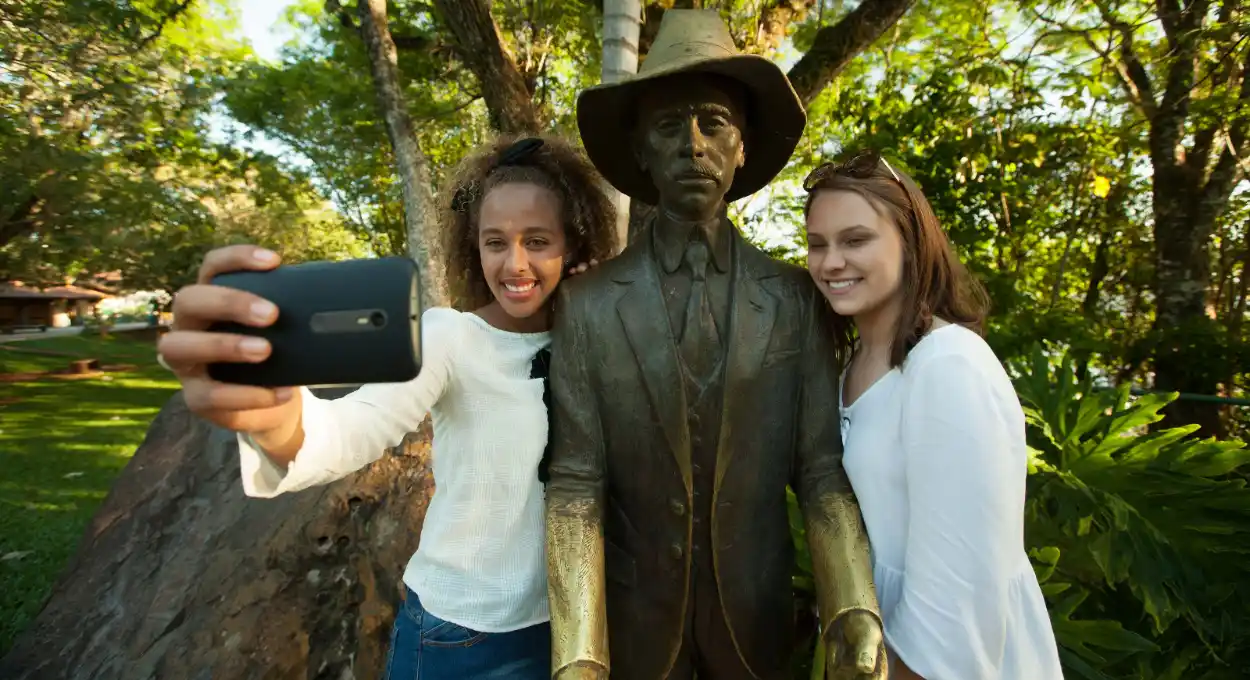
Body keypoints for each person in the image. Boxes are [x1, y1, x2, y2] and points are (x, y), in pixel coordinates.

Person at [155, 134, 618, 680]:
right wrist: (279, 419)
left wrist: (593, 313)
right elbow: (356, 427)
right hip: (457, 638)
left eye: (537, 241)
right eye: (496, 242)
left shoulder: (596, 342)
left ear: (572, 246)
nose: (514, 263)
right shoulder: (451, 337)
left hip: (568, 630)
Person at [543, 9, 884, 680]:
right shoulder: (585, 305)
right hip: (634, 630)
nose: (692, 145)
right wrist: (579, 654)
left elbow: (819, 471)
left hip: (756, 625)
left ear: (743, 146)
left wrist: (852, 608)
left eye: (713, 123)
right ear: (640, 149)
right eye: (668, 127)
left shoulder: (795, 299)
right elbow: (576, 485)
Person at [802, 148, 1065, 680]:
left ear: (911, 241)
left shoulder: (948, 366)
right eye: (817, 244)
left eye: (855, 240)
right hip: (875, 642)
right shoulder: (851, 362)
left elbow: (959, 599)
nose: (831, 262)